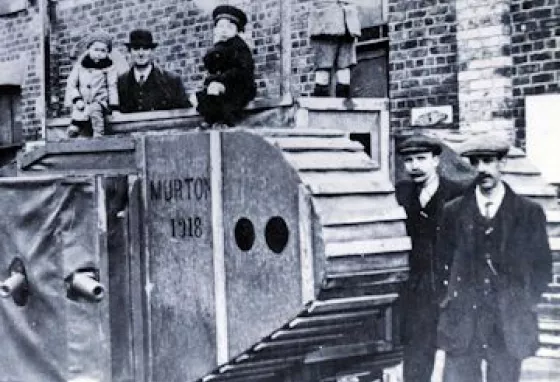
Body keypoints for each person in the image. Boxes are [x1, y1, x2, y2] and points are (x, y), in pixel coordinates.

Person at [436, 134, 552, 382]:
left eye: (488, 161)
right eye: (475, 163)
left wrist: (521, 301)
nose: (482, 169)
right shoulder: (453, 212)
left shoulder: (528, 213)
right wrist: (450, 300)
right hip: (464, 322)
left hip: (506, 323)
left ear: (503, 163)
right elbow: (440, 265)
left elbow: (543, 267)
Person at [394, 134, 464, 381]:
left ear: (436, 160)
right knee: (417, 352)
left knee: (459, 353)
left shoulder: (458, 194)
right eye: (409, 160)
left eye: (421, 159)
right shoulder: (399, 194)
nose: (414, 166)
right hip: (416, 287)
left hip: (450, 285)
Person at [194, 5, 256, 127]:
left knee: (217, 93)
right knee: (201, 97)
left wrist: (221, 80)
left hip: (238, 85)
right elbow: (212, 69)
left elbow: (243, 70)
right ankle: (212, 119)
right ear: (215, 29)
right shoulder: (217, 48)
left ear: (237, 31)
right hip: (221, 83)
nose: (224, 30)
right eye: (221, 26)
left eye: (229, 27)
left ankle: (222, 121)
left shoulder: (239, 48)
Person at [117, 29, 191, 112]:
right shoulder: (121, 83)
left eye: (145, 48)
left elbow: (185, 114)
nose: (141, 54)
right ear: (129, 51)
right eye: (136, 49)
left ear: (152, 51)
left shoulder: (171, 81)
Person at [64, 32, 118, 138]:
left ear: (108, 53)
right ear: (88, 50)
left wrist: (114, 107)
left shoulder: (109, 68)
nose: (99, 53)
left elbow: (112, 87)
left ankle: (98, 133)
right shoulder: (80, 66)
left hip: (99, 101)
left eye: (103, 51)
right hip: (83, 100)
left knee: (95, 110)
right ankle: (75, 126)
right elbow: (71, 83)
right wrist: (77, 99)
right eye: (96, 50)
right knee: (79, 109)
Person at [309, 0, 361, 98]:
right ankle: (320, 105)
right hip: (325, 21)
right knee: (323, 66)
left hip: (348, 22)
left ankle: (344, 103)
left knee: (344, 66)